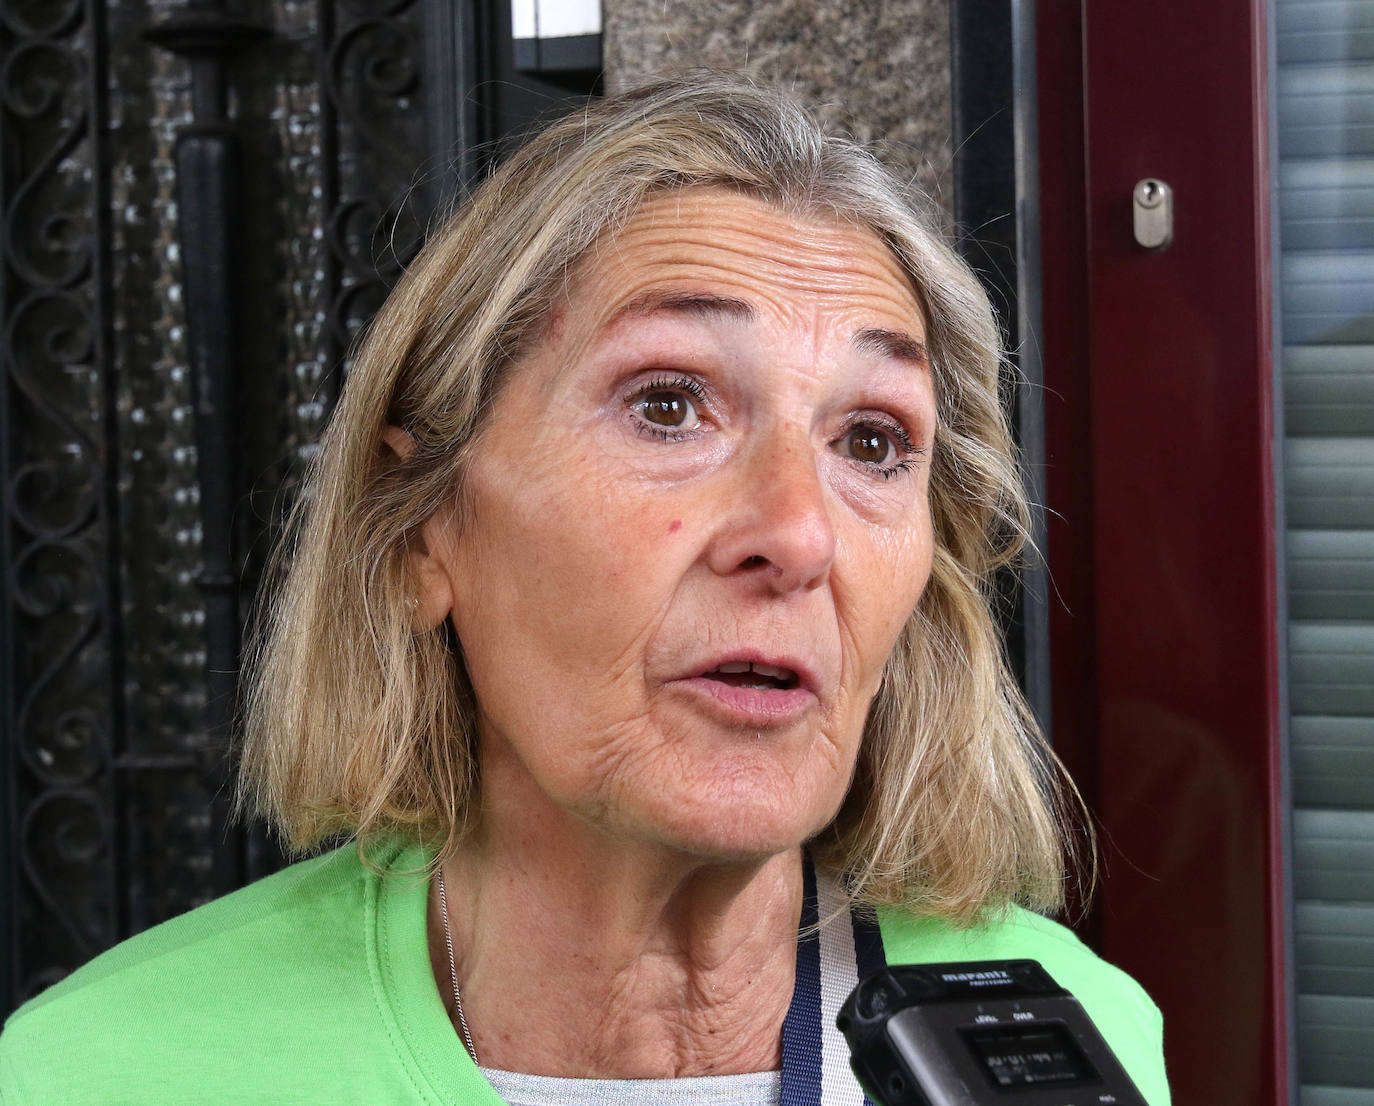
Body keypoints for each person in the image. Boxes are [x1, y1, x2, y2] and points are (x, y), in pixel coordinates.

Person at [0, 75, 1170, 1105]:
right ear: (420, 534)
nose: (800, 533)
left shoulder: (1072, 1028)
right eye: (668, 403)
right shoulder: (97, 1071)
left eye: (872, 440)